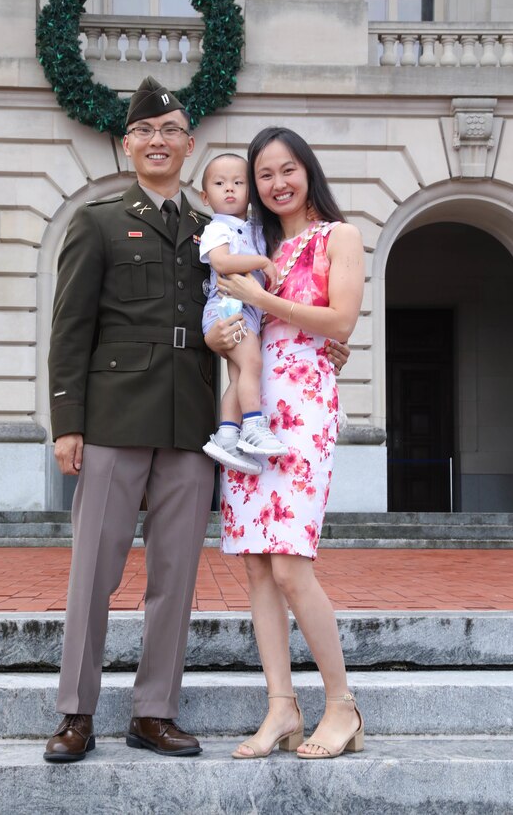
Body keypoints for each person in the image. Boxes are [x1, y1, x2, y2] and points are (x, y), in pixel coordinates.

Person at [45, 75, 351, 763]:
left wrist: (329, 342)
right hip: (114, 417)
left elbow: (253, 313)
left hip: (193, 426)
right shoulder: (96, 222)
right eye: (145, 132)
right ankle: (75, 712)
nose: (159, 142)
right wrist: (67, 422)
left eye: (172, 132)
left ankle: (154, 710)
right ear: (128, 145)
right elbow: (71, 329)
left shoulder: (213, 230)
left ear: (188, 146)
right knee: (93, 571)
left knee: (175, 577)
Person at [216, 126, 365, 759]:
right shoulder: (254, 243)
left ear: (308, 171)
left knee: (290, 563)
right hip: (251, 403)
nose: (276, 184)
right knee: (254, 563)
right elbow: (229, 321)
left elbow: (341, 320)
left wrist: (262, 296)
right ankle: (282, 707)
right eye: (264, 175)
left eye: (287, 170)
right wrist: (223, 334)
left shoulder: (340, 236)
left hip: (304, 408)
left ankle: (341, 706)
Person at [199, 153, 288, 477]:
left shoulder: (254, 228)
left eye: (238, 182)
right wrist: (262, 263)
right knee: (252, 364)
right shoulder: (217, 229)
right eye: (220, 184)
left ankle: (226, 435)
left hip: (247, 310)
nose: (230, 189)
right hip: (227, 308)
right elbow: (221, 263)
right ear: (205, 196)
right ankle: (252, 424)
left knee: (240, 376)